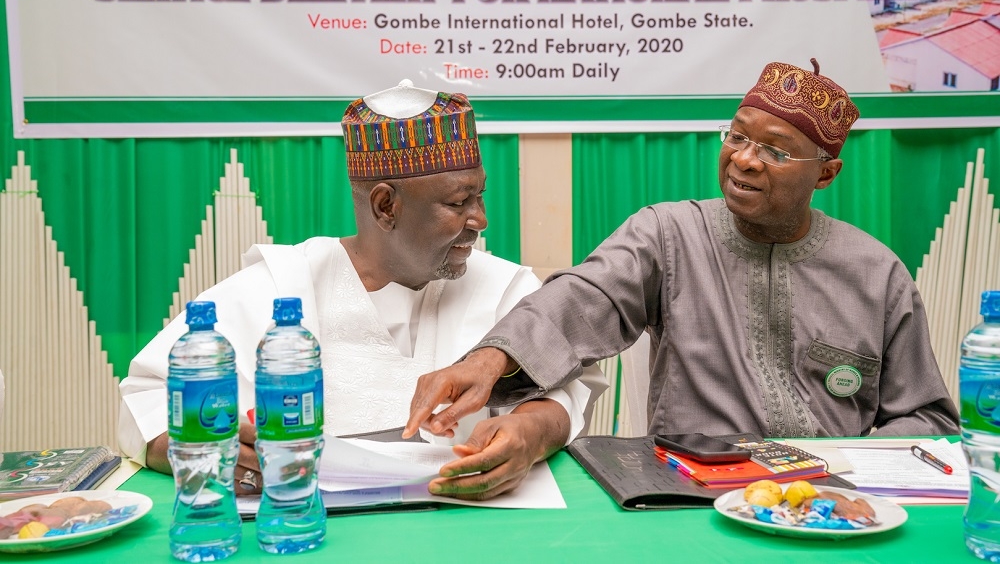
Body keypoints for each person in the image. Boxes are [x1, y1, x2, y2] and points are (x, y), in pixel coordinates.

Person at [405, 59, 960, 443]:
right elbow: (584, 297)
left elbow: (928, 421)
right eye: (737, 136)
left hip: (826, 508)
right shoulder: (669, 235)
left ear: (826, 174)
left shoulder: (875, 273)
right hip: (690, 497)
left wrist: (848, 470)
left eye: (775, 150)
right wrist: (489, 359)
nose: (744, 159)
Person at [119, 81, 606, 500]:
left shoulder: (505, 287)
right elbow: (146, 403)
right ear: (385, 206)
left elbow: (566, 388)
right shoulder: (279, 288)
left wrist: (532, 432)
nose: (481, 220)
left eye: (480, 195)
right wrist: (208, 450)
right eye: (459, 202)